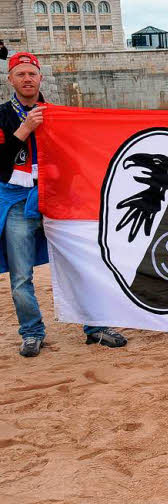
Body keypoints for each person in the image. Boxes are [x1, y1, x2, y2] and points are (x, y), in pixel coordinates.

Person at [0, 52, 127, 356]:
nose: (27, 79)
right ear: (11, 80)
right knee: (20, 276)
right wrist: (25, 128)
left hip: (58, 198)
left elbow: (77, 158)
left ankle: (95, 327)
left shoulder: (58, 114)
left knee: (82, 265)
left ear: (40, 78)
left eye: (32, 74)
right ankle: (32, 332)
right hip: (17, 200)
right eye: (21, 74)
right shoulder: (2, 115)